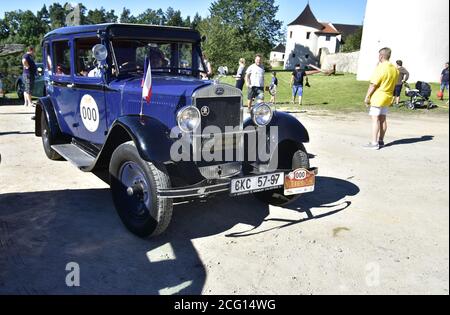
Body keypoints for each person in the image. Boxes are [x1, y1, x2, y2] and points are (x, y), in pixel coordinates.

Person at [364, 47, 399, 150]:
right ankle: (381, 140)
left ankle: (374, 143)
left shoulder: (381, 67)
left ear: (381, 56)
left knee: (375, 120)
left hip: (379, 96)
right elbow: (395, 83)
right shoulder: (394, 68)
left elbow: (373, 84)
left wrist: (367, 96)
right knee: (383, 119)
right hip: (388, 96)